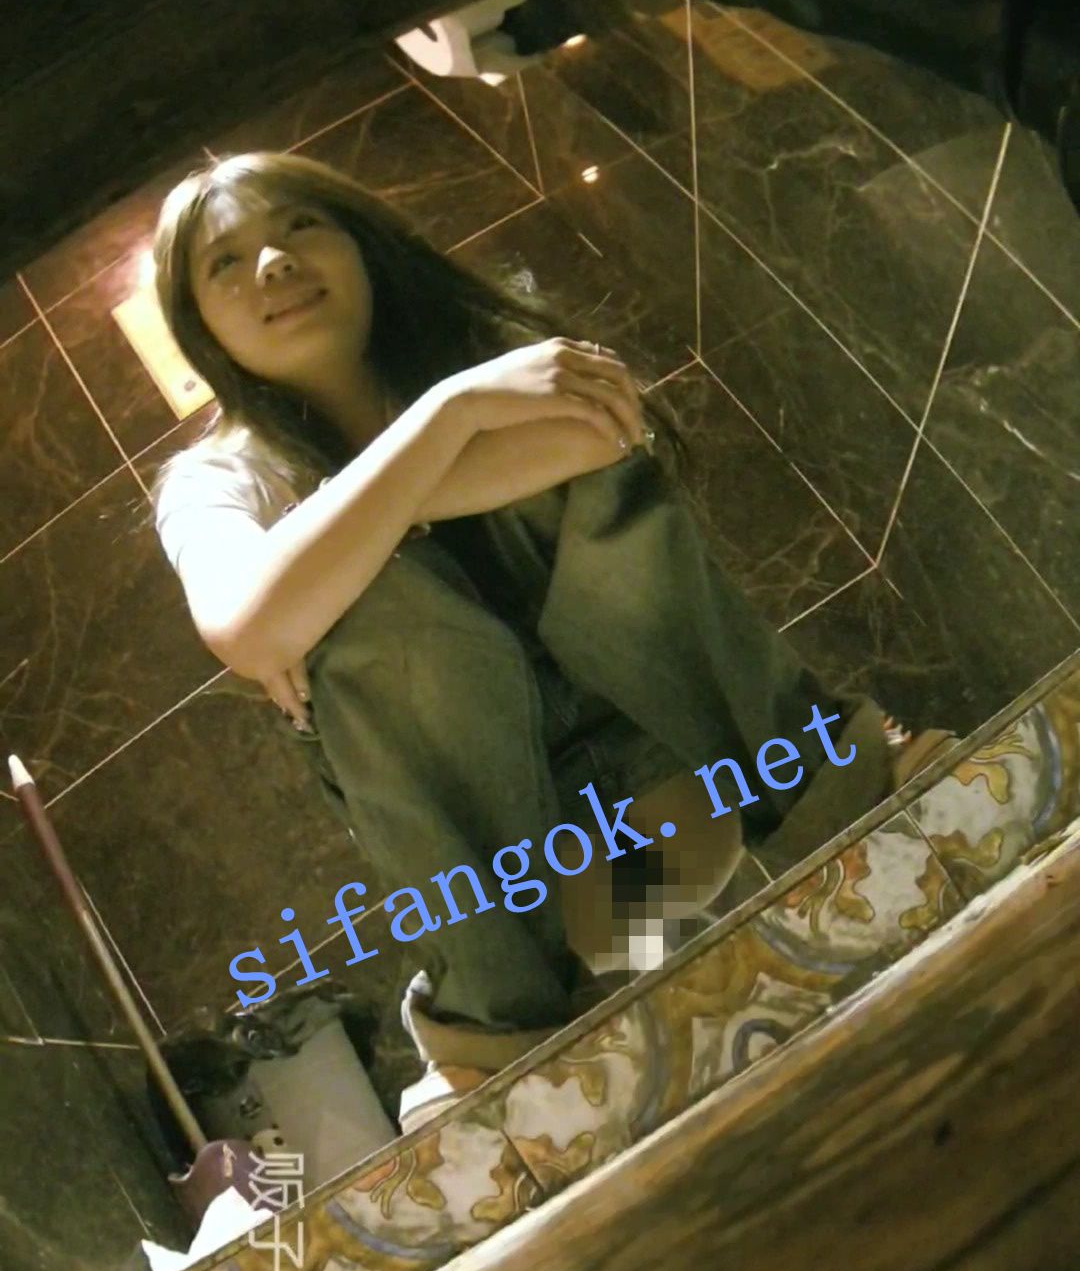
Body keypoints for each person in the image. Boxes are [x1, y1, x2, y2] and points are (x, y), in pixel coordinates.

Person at [151, 150, 951, 1132]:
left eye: (299, 226)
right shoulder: (217, 480)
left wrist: (328, 552)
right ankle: (502, 1028)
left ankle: (838, 794)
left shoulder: (477, 342)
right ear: (199, 324)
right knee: (362, 602)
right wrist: (452, 417)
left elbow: (596, 433)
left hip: (703, 777)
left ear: (360, 244)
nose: (273, 263)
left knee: (343, 575)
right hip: (523, 893)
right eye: (225, 262)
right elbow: (242, 624)